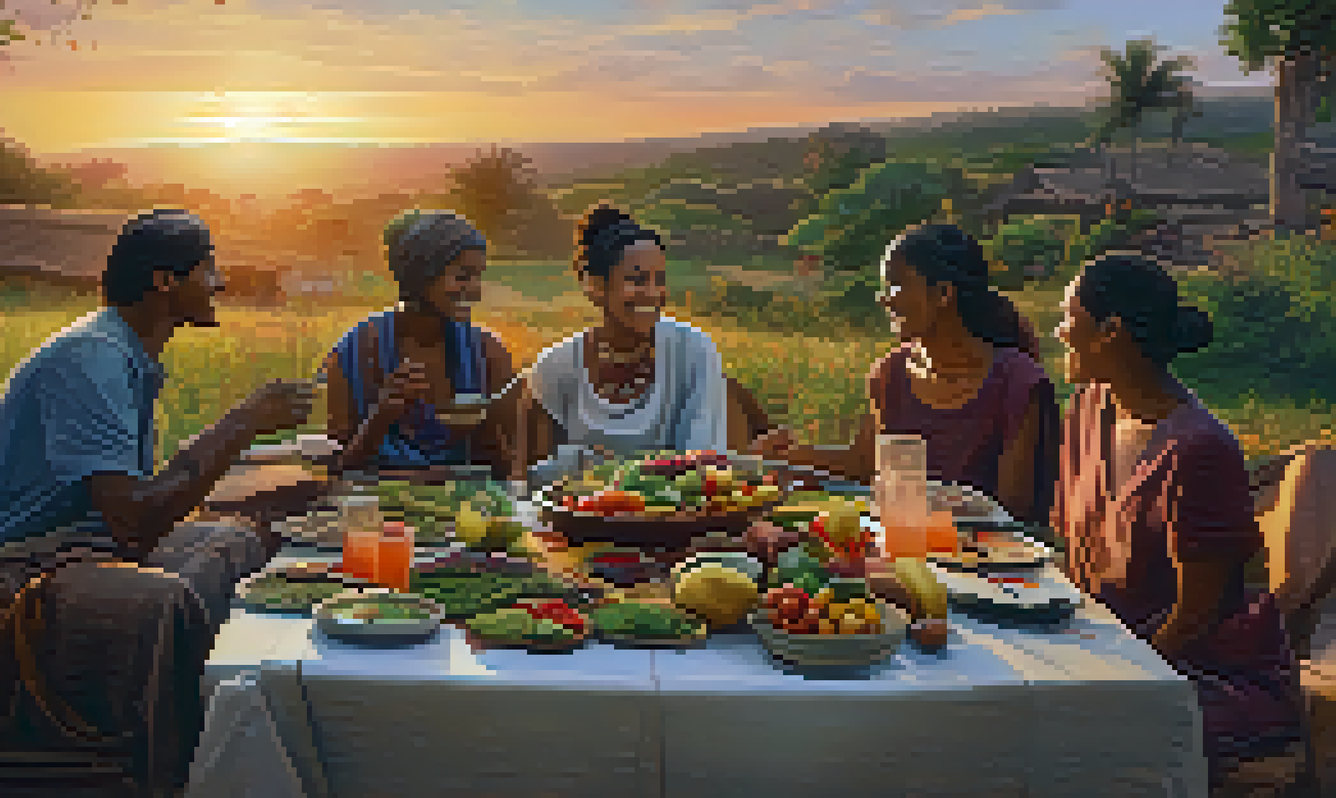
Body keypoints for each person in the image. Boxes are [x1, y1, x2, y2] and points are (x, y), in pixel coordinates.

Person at [0, 209, 317, 795]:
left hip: (81, 541)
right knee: (172, 590)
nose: (221, 283)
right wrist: (244, 423)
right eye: (209, 269)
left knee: (236, 538)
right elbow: (133, 523)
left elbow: (136, 507)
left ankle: (219, 719)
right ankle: (168, 759)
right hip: (26, 569)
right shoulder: (91, 359)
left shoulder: (121, 352)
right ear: (164, 282)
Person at [1051, 252, 1305, 793]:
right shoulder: (1087, 409)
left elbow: (1195, 617)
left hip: (1199, 675)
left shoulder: (1198, 449)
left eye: (1069, 316)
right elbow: (1072, 554)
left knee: (1056, 736)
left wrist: (1113, 679)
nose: (1060, 330)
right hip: (1107, 653)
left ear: (1110, 332)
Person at [753, 224, 1059, 524]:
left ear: (942, 294)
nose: (883, 299)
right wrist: (787, 456)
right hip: (904, 549)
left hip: (988, 561)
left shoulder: (1019, 383)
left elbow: (1013, 510)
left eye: (895, 285)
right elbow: (864, 463)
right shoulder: (891, 373)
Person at [513, 204, 770, 485]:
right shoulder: (555, 368)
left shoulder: (691, 349)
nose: (652, 293)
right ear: (596, 286)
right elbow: (529, 479)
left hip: (679, 516)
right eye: (636, 280)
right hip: (583, 519)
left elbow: (701, 458)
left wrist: (593, 467)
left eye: (659, 280)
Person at [323, 210, 515, 474]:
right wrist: (382, 415)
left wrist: (487, 426)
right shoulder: (356, 353)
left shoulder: (488, 353)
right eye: (462, 276)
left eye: (478, 277)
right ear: (420, 275)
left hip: (466, 508)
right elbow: (339, 470)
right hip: (375, 505)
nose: (475, 290)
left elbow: (507, 470)